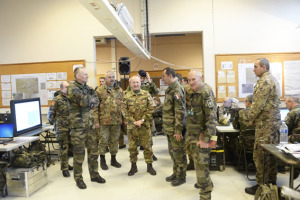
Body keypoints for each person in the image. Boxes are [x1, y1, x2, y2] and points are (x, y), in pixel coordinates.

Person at [245, 58, 281, 195]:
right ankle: (271, 183)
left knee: (260, 154)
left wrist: (251, 117)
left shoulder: (264, 81)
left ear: (264, 67)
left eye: (255, 67)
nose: (253, 69)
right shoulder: (273, 79)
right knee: (271, 154)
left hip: (265, 124)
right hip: (272, 123)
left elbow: (258, 103)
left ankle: (262, 185)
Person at [67, 67, 105, 189]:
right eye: (84, 74)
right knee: (79, 154)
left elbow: (97, 101)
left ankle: (94, 175)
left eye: (87, 74)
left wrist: (90, 100)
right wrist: (90, 100)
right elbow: (84, 102)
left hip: (89, 125)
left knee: (94, 152)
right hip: (78, 126)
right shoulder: (72, 88)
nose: (87, 76)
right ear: (77, 76)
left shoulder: (88, 88)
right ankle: (78, 178)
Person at [186, 70, 217, 200]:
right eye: (189, 80)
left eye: (194, 79)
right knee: (200, 166)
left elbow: (211, 119)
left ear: (201, 78)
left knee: (201, 168)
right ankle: (206, 184)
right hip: (193, 136)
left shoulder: (206, 93)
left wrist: (205, 139)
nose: (191, 82)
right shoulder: (191, 92)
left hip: (202, 137)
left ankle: (205, 196)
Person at [122, 75, 156, 176]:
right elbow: (124, 111)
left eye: (137, 82)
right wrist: (134, 121)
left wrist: (142, 120)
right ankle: (133, 166)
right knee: (132, 148)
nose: (136, 84)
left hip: (144, 126)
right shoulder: (126, 96)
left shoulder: (146, 94)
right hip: (132, 127)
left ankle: (149, 166)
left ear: (140, 83)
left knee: (147, 147)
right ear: (130, 84)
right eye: (134, 82)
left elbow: (151, 109)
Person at [162, 67, 187, 186]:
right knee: (173, 152)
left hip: (175, 129)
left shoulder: (177, 89)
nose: (162, 78)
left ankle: (181, 176)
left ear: (170, 76)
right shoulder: (170, 89)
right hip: (169, 128)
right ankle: (176, 173)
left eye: (163, 76)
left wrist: (178, 130)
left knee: (179, 153)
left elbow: (180, 111)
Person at [95, 71, 123, 170]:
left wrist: (123, 119)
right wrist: (96, 121)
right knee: (103, 141)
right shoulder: (99, 90)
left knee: (115, 141)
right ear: (106, 79)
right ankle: (102, 160)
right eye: (109, 77)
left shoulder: (119, 90)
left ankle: (113, 159)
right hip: (104, 121)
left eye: (113, 77)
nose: (111, 79)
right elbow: (95, 107)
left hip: (116, 120)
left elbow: (123, 105)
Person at [47, 81, 73, 178]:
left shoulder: (71, 99)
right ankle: (64, 169)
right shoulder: (56, 100)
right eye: (66, 87)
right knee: (64, 149)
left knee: (69, 148)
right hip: (61, 128)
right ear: (61, 89)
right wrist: (57, 123)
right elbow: (50, 115)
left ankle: (66, 164)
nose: (68, 89)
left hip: (71, 127)